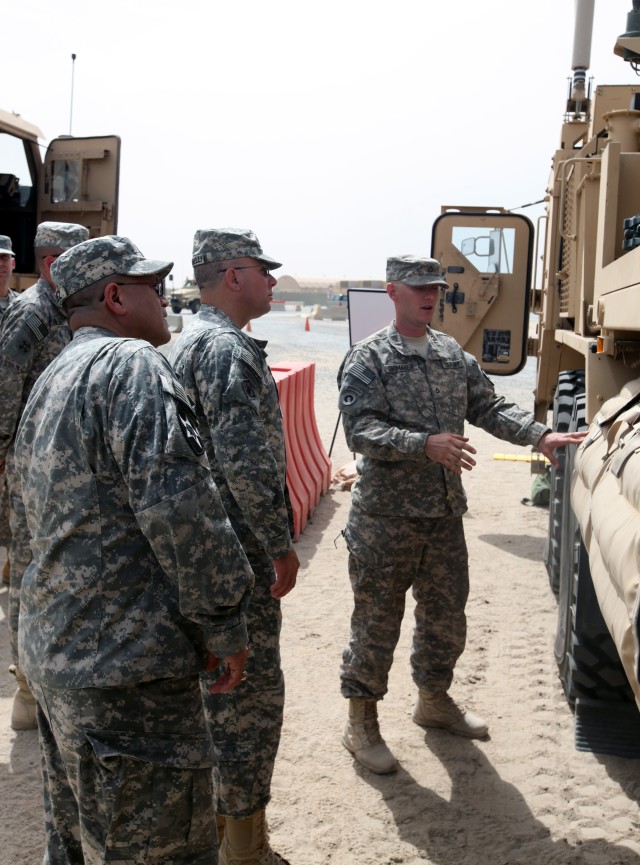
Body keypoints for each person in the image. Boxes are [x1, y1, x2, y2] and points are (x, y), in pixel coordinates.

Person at [13, 234, 255, 864]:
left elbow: (25, 518)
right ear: (116, 297)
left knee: (74, 847)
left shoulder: (53, 377)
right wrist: (225, 622)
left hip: (60, 656)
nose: (166, 296)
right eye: (152, 285)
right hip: (128, 675)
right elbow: (183, 512)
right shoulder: (132, 366)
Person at [337, 254, 587, 775]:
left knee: (446, 618)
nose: (430, 295)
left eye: (434, 286)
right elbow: (360, 431)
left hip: (444, 516)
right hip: (386, 520)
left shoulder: (451, 352)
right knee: (377, 624)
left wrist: (540, 435)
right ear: (392, 292)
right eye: (417, 287)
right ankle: (361, 722)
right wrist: (422, 444)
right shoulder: (369, 359)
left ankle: (433, 701)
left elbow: (489, 406)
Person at [169, 227, 299, 865]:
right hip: (240, 556)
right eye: (263, 269)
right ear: (232, 277)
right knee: (249, 706)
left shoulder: (186, 340)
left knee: (215, 696)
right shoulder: (225, 350)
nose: (273, 280)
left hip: (200, 552)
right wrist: (279, 546)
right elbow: (246, 466)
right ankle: (244, 849)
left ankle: (225, 836)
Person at [0, 221, 89, 730]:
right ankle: (27, 693)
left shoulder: (66, 310)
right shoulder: (30, 317)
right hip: (30, 475)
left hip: (63, 473)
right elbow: (5, 392)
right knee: (32, 579)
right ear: (55, 265)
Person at [0, 234, 18, 585]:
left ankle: (12, 562)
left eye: (4, 259)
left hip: (12, 418)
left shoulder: (22, 308)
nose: (0, 265)